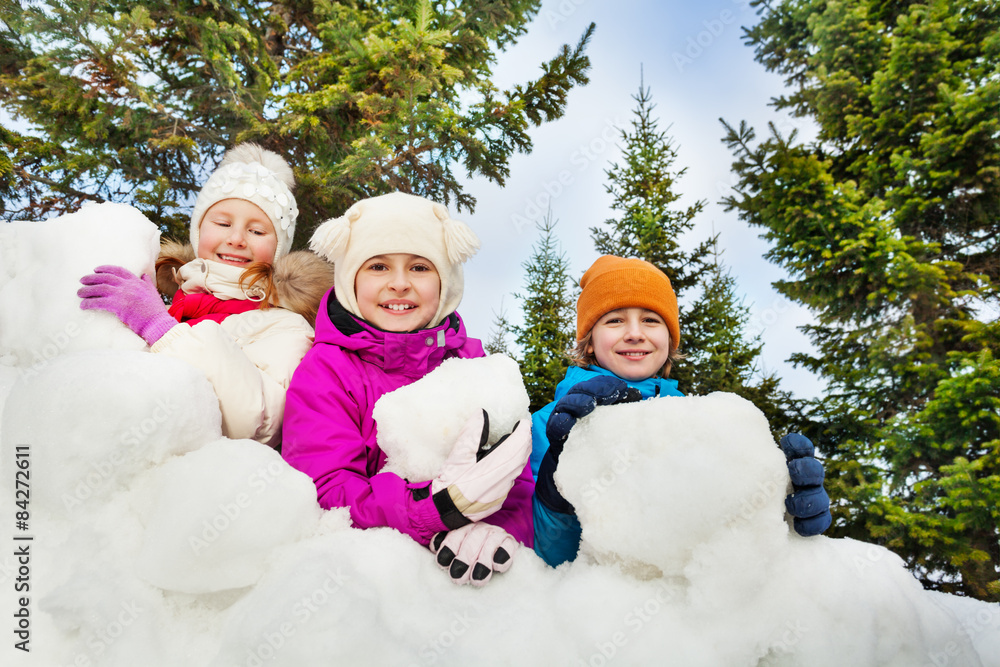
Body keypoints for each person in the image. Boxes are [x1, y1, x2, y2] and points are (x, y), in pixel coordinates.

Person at [281, 192, 534, 586]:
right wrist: (433, 509)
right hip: (366, 578)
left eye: (419, 267)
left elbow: (515, 478)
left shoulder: (474, 365)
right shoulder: (326, 370)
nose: (399, 284)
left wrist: (496, 528)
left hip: (466, 577)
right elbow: (326, 490)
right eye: (379, 266)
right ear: (351, 280)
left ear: (445, 281)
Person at [532, 255, 833, 567]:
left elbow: (720, 535)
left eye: (651, 320)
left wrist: (783, 508)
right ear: (589, 342)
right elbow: (541, 554)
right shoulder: (544, 426)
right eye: (614, 320)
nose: (635, 333)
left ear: (669, 338)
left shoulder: (702, 422)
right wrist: (558, 487)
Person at [77, 143, 334, 448]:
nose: (236, 239)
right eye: (223, 223)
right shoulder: (166, 301)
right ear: (198, 231)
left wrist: (160, 329)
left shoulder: (284, 324)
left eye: (257, 231)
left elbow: (260, 423)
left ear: (278, 249)